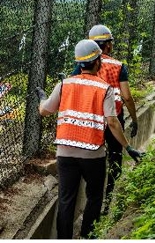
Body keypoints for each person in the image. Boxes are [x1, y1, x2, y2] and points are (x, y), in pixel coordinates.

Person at [36, 39, 143, 239]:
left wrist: (41, 97)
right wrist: (128, 148)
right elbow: (112, 122)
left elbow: (44, 110)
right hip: (93, 154)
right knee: (94, 196)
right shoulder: (104, 89)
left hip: (65, 153)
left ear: (79, 63)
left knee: (66, 199)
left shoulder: (64, 85)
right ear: (97, 62)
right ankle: (87, 236)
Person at [73, 24, 139, 209]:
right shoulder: (118, 66)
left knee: (93, 158)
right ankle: (108, 201)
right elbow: (126, 96)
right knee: (115, 159)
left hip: (91, 120)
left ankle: (91, 200)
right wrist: (134, 119)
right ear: (108, 45)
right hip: (114, 119)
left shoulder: (82, 64)